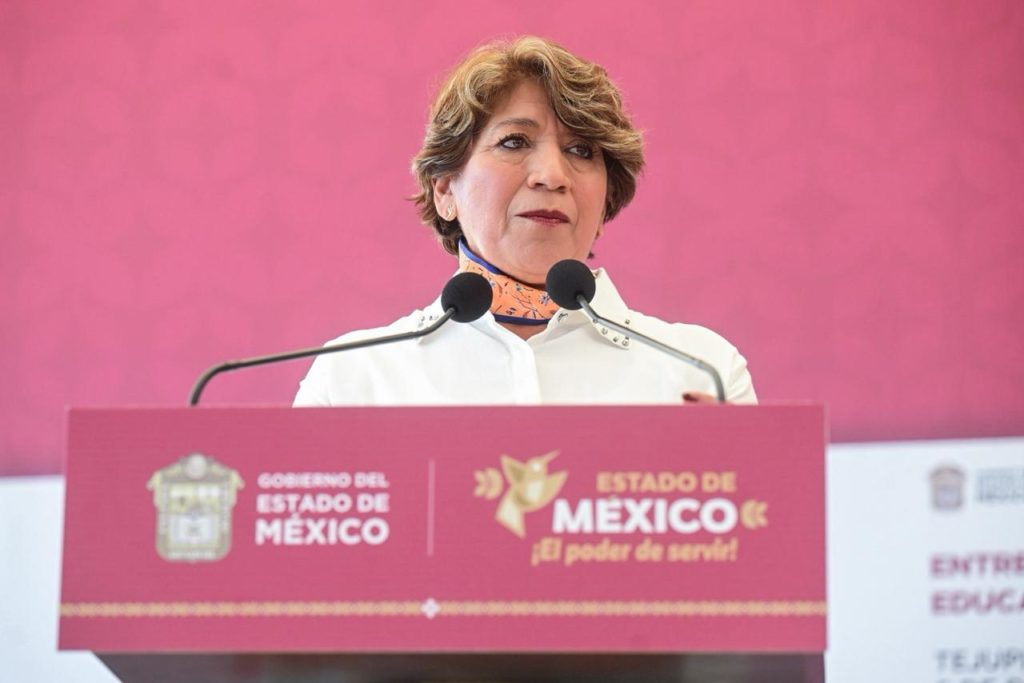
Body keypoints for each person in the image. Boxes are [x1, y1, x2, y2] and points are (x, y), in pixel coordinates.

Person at [294, 36, 755, 407]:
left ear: (605, 202)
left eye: (581, 150)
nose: (553, 176)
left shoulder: (700, 371)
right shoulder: (355, 378)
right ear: (445, 190)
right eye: (514, 142)